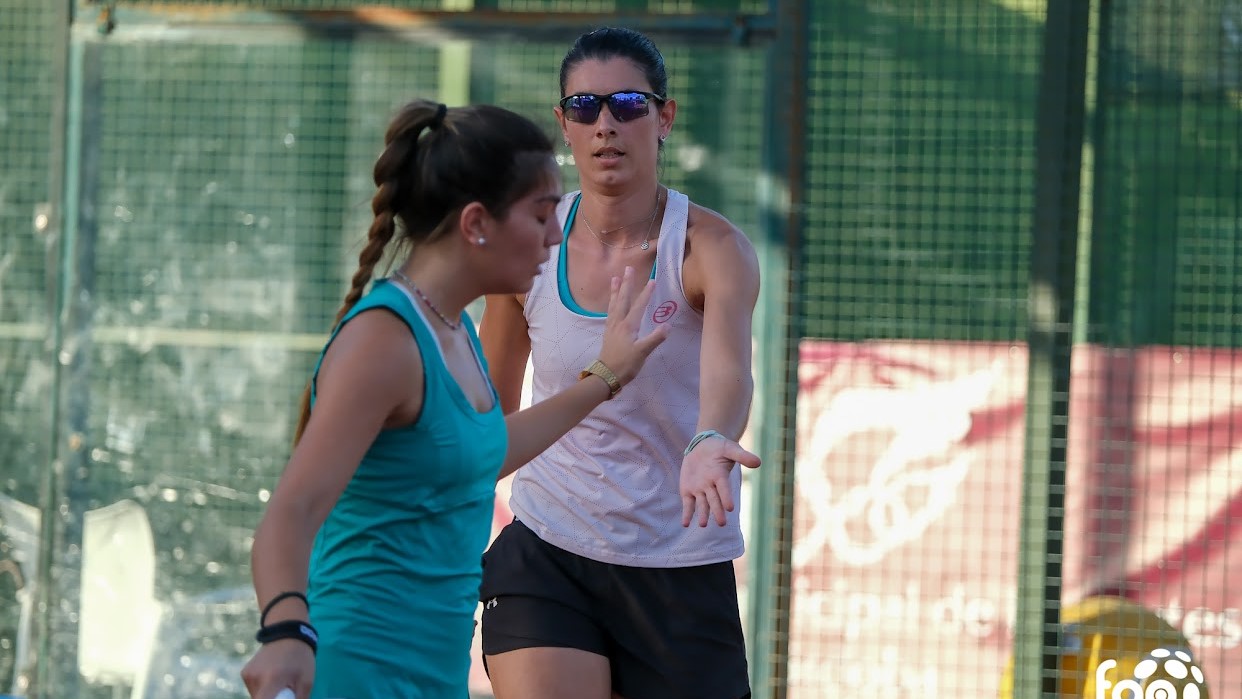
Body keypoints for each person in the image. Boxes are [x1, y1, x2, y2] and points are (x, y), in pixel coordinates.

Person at [240, 98, 667, 699]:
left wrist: (606, 376)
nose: (554, 234)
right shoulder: (383, 342)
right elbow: (290, 514)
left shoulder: (453, 328)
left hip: (433, 677)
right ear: (475, 224)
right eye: (541, 213)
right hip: (354, 671)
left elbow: (481, 453)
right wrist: (284, 630)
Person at [477, 27, 762, 699]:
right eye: (585, 108)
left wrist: (711, 437)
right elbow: (490, 404)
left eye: (628, 104)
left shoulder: (711, 247)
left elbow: (729, 369)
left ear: (663, 118)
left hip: (679, 559)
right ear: (564, 127)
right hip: (548, 547)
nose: (606, 124)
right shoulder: (528, 251)